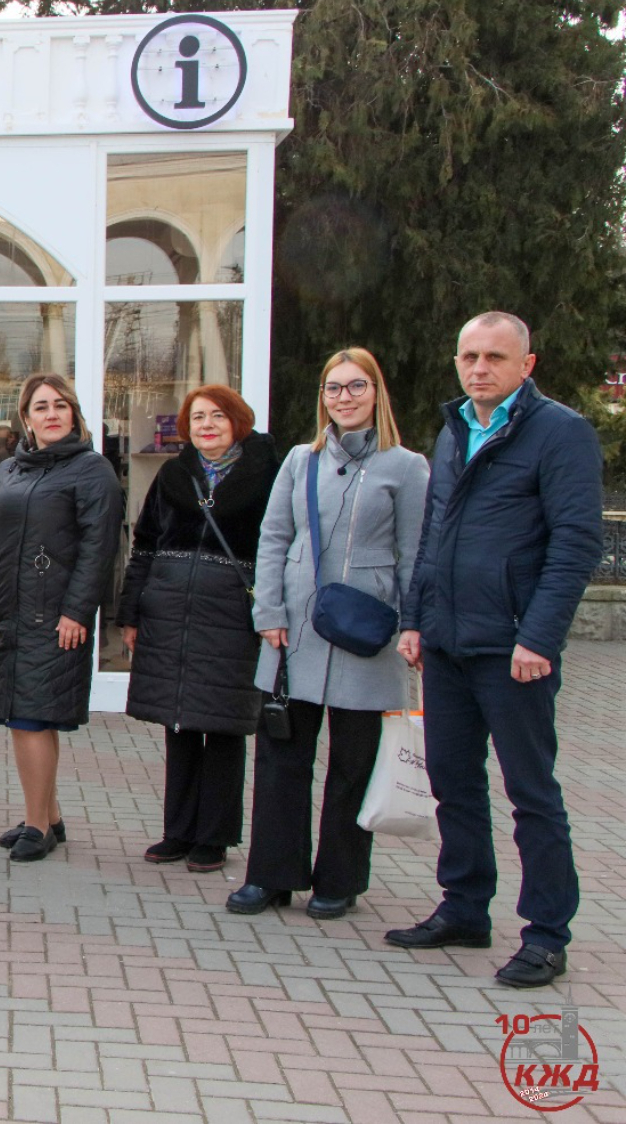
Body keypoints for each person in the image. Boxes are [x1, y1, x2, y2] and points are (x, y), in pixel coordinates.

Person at [386, 312, 604, 989]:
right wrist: (416, 619)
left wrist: (537, 636)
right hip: (447, 643)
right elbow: (433, 535)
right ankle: (464, 906)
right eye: (469, 356)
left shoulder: (560, 434)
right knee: (452, 781)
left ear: (526, 365)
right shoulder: (455, 433)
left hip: (513, 650)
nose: (479, 368)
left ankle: (545, 933)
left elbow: (575, 544)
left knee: (531, 793)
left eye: (494, 358)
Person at [227, 349, 428, 920]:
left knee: (352, 766)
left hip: (367, 635)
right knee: (281, 758)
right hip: (294, 633)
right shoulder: (299, 460)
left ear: (376, 391)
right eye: (333, 389)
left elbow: (415, 555)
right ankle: (271, 875)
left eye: (355, 386)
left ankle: (339, 880)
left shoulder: (406, 467)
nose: (343, 397)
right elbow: (272, 538)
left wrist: (413, 625)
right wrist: (268, 611)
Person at [116, 385, 277, 873]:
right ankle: (178, 831)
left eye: (217, 417)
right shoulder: (174, 474)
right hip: (169, 611)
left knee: (224, 724)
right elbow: (143, 545)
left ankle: (215, 837)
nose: (207, 425)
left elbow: (277, 549)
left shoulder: (265, 475)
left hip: (231, 615)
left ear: (237, 421)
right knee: (179, 723)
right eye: (198, 417)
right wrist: (131, 613)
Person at [0, 374, 121, 863]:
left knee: (32, 718)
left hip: (54, 616)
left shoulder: (92, 471)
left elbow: (99, 549)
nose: (51, 413)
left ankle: (37, 826)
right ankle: (49, 815)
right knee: (26, 717)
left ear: (75, 413)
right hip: (10, 615)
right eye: (40, 407)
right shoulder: (8, 472)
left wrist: (78, 611)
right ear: (25, 418)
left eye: (61, 405)